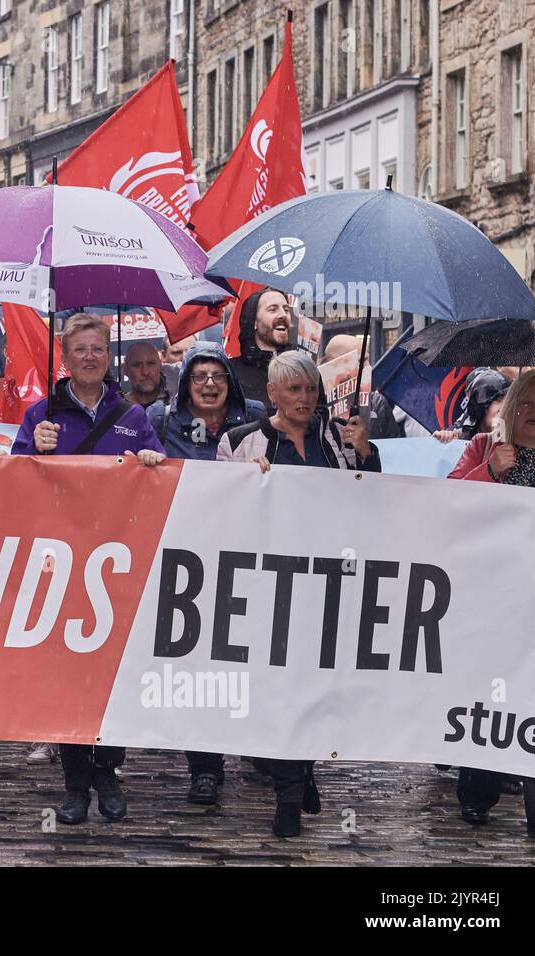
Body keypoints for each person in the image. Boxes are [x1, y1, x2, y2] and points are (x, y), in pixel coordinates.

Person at [12, 313, 166, 825]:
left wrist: (149, 462)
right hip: (61, 564)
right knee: (67, 675)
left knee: (112, 672)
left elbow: (163, 476)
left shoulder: (133, 415)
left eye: (98, 349)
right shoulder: (40, 414)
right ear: (64, 353)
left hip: (117, 563)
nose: (89, 357)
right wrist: (36, 451)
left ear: (108, 355)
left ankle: (108, 770)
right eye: (79, 349)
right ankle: (76, 783)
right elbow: (9, 481)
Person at [217, 350, 379, 837]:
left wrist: (366, 455)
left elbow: (370, 501)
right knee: (282, 691)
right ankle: (289, 793)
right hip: (271, 588)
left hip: (330, 583)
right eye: (294, 389)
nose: (305, 398)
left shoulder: (335, 437)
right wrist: (251, 486)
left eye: (310, 389)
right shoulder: (240, 442)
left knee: (317, 688)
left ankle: (303, 767)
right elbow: (218, 512)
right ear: (272, 394)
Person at [145, 341, 266, 806]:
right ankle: (205, 766)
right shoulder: (162, 422)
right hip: (188, 558)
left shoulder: (254, 418)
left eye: (218, 376)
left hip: (243, 554)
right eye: (199, 377)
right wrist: (149, 460)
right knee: (199, 663)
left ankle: (261, 747)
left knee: (244, 657)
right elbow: (141, 469)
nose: (210, 384)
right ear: (186, 385)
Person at [445, 370, 535, 844]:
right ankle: (478, 788)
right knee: (491, 694)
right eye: (525, 403)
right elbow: (448, 501)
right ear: (511, 409)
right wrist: (490, 470)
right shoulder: (485, 448)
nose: (534, 412)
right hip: (493, 597)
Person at [230, 288, 293, 406]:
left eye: (286, 310)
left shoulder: (302, 369)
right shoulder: (230, 372)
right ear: (254, 321)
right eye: (273, 310)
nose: (283, 315)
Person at [122, 340, 171, 409]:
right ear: (124, 370)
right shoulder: (117, 410)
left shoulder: (174, 405)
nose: (145, 372)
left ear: (160, 366)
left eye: (151, 364)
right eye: (137, 365)